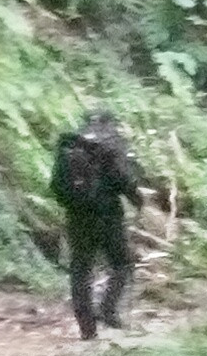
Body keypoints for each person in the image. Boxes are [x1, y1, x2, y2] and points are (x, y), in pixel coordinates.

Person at [50, 109, 146, 340]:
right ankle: (108, 308)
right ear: (109, 122)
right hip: (108, 215)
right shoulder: (110, 144)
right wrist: (138, 200)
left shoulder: (70, 146)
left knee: (80, 270)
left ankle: (87, 329)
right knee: (122, 264)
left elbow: (55, 186)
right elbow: (122, 178)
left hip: (77, 217)